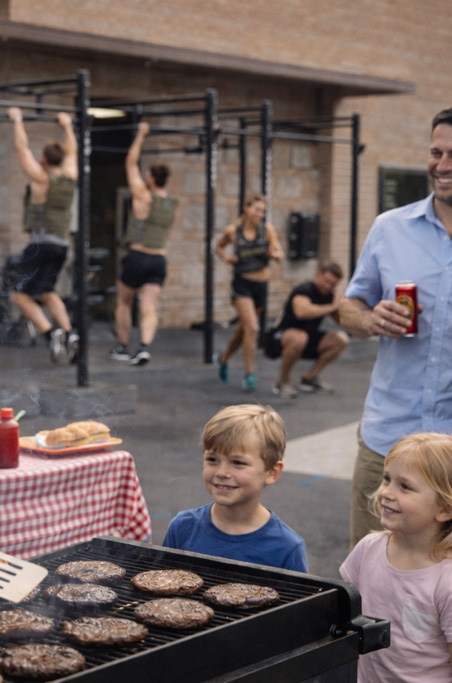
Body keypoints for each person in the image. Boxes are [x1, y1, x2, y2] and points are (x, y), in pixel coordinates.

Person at [339, 105, 452, 549]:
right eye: (436, 152)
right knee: (371, 579)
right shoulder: (389, 228)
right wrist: (369, 318)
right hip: (386, 442)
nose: (442, 165)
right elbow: (349, 307)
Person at [340, 433, 452, 682]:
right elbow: (347, 624)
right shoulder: (368, 549)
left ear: (445, 509)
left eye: (405, 486)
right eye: (387, 479)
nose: (386, 493)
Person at [163, 404, 308, 572]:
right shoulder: (182, 528)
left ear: (272, 472)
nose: (222, 472)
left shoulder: (286, 548)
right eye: (212, 460)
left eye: (238, 463)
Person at [5, 106, 79, 364]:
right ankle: (69, 333)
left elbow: (22, 150)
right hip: (61, 246)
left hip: (40, 244)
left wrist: (17, 120)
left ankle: (52, 333)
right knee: (47, 291)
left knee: (18, 295)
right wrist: (67, 125)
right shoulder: (70, 176)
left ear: (45, 161)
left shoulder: (40, 178)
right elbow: (73, 151)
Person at [110, 121, 179, 366]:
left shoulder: (143, 196)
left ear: (150, 178)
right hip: (158, 259)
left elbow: (130, 163)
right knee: (148, 307)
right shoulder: (171, 203)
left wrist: (140, 135)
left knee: (124, 302)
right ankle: (144, 348)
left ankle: (122, 346)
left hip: (137, 257)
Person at [214, 194, 284, 391]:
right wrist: (226, 258)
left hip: (261, 286)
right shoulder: (233, 231)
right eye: (256, 209)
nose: (259, 214)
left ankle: (225, 358)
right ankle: (249, 374)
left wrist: (273, 254)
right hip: (242, 284)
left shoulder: (267, 230)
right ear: (246, 209)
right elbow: (218, 247)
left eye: (262, 211)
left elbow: (280, 254)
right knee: (252, 327)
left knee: (244, 330)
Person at [263, 261, 348, 398]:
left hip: (307, 338)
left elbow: (342, 322)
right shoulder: (304, 289)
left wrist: (342, 304)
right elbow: (302, 312)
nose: (328, 286)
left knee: (340, 339)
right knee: (299, 337)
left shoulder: (329, 296)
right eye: (326, 281)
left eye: (333, 285)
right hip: (279, 338)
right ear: (318, 275)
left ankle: (310, 379)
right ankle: (282, 382)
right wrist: (332, 306)